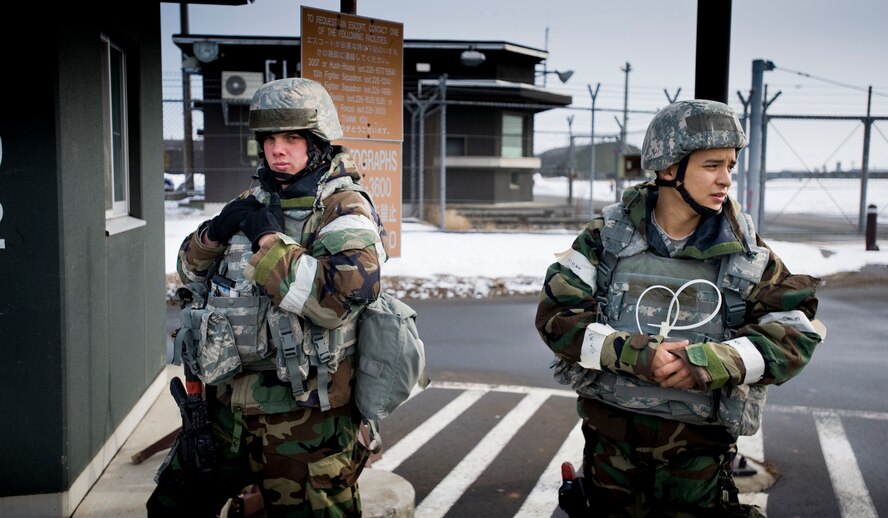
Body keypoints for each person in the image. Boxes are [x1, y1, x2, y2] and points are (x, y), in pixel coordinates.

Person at [535, 99, 825, 517]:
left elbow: (795, 330)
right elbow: (556, 316)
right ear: (670, 168)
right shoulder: (606, 239)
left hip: (699, 459)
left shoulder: (747, 254)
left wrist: (714, 360)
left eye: (730, 165)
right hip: (610, 452)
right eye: (712, 165)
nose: (726, 179)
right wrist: (635, 355)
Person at [148, 77, 388, 517]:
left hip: (304, 421)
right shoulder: (252, 198)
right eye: (270, 138)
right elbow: (187, 274)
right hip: (225, 411)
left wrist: (268, 242)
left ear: (316, 143)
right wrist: (212, 233)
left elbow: (339, 300)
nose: (278, 149)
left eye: (292, 138)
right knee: (169, 506)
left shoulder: (343, 207)